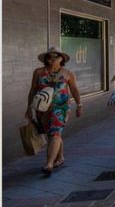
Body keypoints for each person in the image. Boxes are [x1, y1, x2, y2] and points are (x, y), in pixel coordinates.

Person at [26, 47, 82, 177]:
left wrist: (79, 105)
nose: (53, 59)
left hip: (61, 107)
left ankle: (49, 164)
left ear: (62, 58)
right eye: (50, 57)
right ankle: (60, 157)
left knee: (55, 133)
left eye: (56, 56)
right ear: (46, 59)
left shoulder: (67, 73)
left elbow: (74, 89)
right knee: (52, 134)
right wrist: (29, 107)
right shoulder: (38, 72)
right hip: (42, 108)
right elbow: (33, 90)